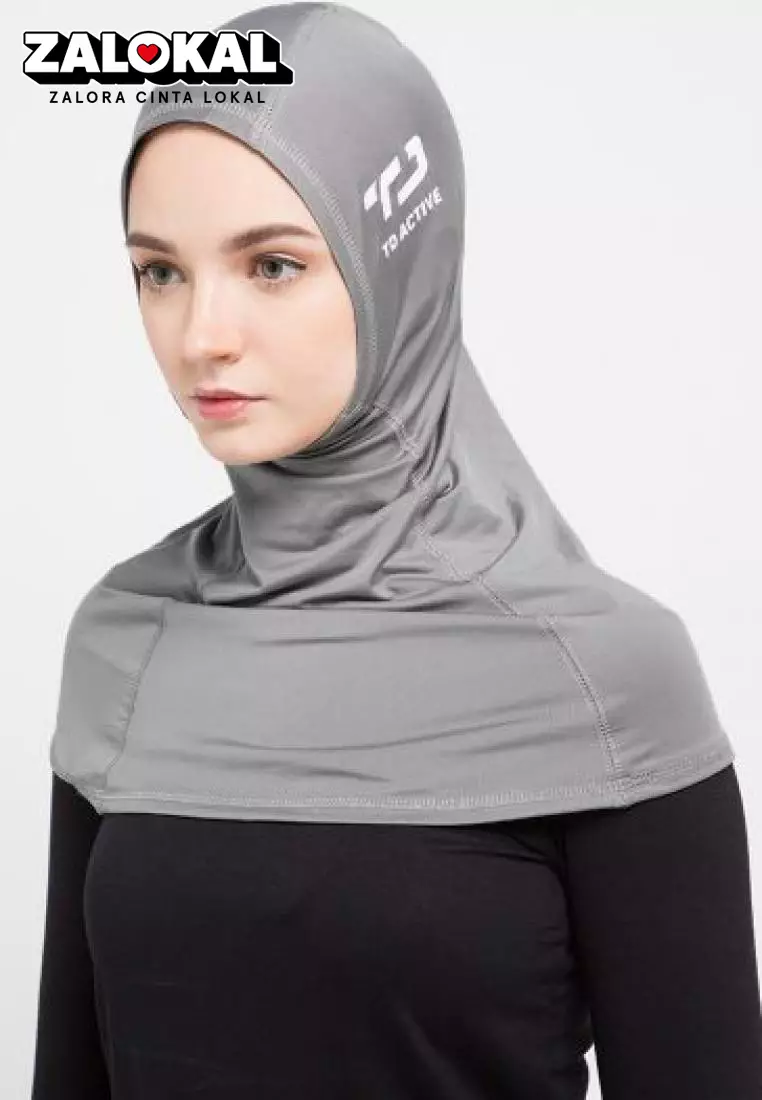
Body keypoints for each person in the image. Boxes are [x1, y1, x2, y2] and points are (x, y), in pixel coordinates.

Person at [31, 3, 762, 1097]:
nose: (200, 336)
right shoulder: (125, 644)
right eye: (160, 271)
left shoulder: (603, 679)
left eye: (272, 265)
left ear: (399, 256)